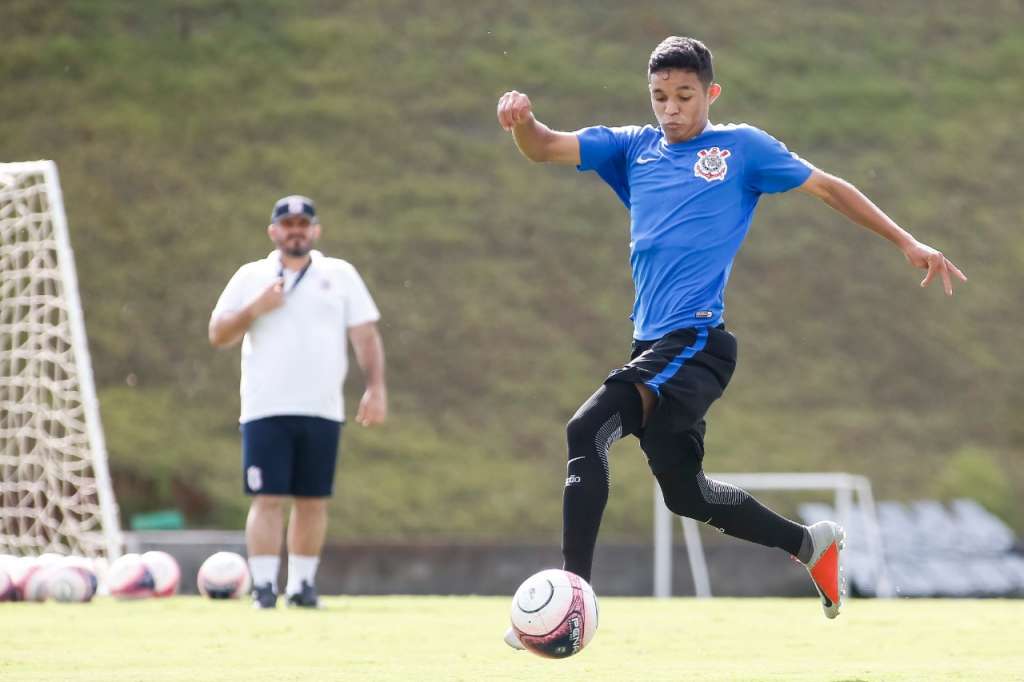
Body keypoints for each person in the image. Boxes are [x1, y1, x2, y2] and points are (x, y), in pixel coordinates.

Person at [496, 36, 965, 642]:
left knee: (587, 430)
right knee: (686, 495)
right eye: (660, 96)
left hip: (695, 343)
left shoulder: (741, 149)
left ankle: (572, 600)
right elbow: (543, 148)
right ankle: (808, 544)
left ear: (710, 94)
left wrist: (907, 241)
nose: (671, 108)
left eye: (685, 96)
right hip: (655, 347)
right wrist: (523, 122)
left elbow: (828, 187)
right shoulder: (630, 149)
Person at [209, 195, 387, 608]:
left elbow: (365, 335)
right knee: (267, 498)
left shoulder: (339, 274)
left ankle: (302, 586)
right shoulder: (251, 275)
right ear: (273, 231)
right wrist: (257, 307)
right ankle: (264, 587)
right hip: (264, 406)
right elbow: (218, 334)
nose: (295, 231)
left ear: (315, 230)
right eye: (287, 224)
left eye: (302, 224)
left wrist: (375, 387)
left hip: (322, 407)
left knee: (312, 499)